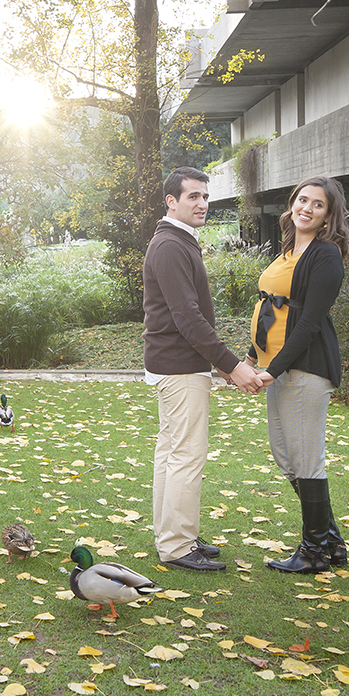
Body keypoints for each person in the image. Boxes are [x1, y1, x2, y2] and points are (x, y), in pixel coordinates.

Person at [240, 176, 349, 574]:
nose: (306, 208)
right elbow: (273, 308)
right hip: (277, 366)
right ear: (293, 203)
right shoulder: (289, 247)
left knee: (306, 460)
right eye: (302, 200)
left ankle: (314, 553)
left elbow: (307, 323)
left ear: (328, 216)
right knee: (286, 457)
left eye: (317, 204)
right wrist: (254, 356)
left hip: (304, 368)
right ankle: (332, 542)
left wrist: (273, 369)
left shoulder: (326, 256)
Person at [142, 166, 253, 572]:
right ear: (172, 201)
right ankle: (176, 546)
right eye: (193, 197)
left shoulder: (177, 241)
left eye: (205, 197)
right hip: (179, 364)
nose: (202, 204)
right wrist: (231, 366)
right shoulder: (170, 245)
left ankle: (175, 535)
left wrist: (220, 365)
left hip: (176, 362)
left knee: (172, 452)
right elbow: (187, 318)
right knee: (186, 454)